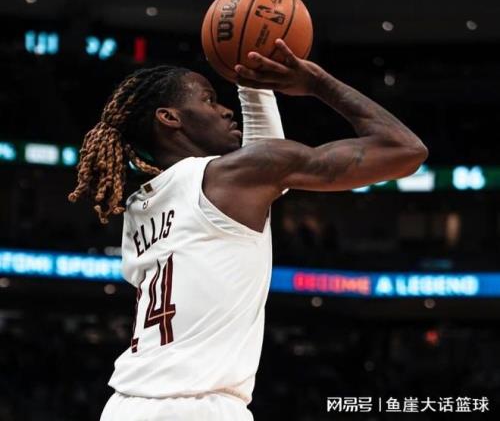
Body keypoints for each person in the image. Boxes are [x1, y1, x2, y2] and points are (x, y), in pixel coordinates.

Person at [68, 38, 428, 421]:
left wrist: (254, 87)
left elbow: (264, 162)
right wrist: (316, 83)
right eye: (208, 100)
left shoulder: (140, 206)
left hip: (125, 405)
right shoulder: (231, 178)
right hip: (197, 408)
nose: (225, 110)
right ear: (170, 117)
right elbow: (405, 150)